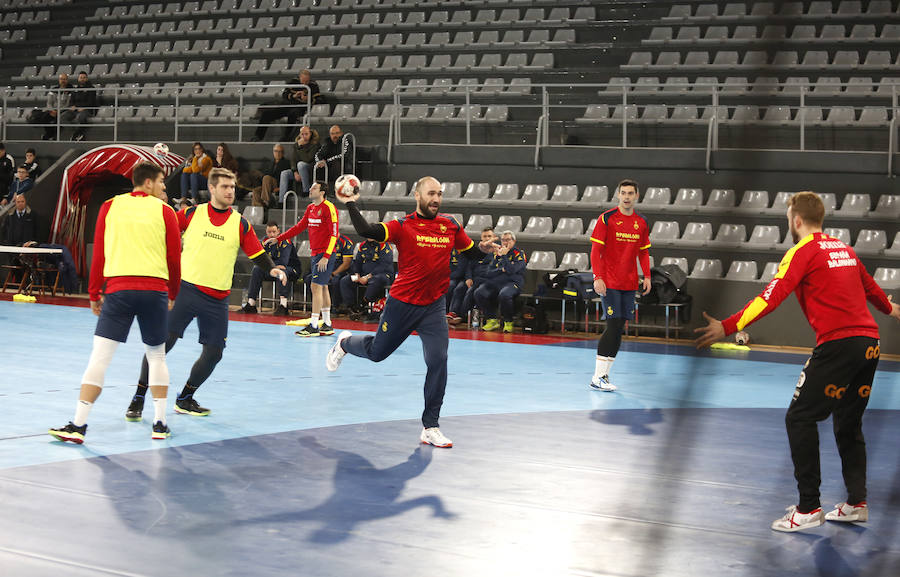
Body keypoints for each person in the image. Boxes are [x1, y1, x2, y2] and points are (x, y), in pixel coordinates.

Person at [695, 191, 900, 533]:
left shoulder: (800, 253)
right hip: (870, 343)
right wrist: (890, 309)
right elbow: (871, 288)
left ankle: (808, 508)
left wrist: (728, 327)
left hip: (839, 344)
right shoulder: (844, 249)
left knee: (800, 418)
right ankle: (856, 504)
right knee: (848, 423)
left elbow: (770, 297)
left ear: (795, 220)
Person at [326, 176, 495, 448]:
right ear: (417, 195)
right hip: (401, 304)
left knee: (438, 360)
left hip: (433, 306)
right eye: (431, 194)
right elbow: (368, 231)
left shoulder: (450, 225)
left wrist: (484, 251)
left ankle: (431, 426)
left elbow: (471, 252)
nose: (436, 199)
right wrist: (350, 205)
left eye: (439, 194)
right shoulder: (403, 225)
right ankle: (345, 343)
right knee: (377, 353)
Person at [123, 168, 285, 422]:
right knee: (161, 345)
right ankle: (138, 397)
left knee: (214, 353)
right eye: (225, 187)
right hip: (186, 291)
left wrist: (273, 268)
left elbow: (256, 253)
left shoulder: (239, 223)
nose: (230, 191)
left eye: (232, 187)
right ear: (212, 189)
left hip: (218, 298)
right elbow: (162, 228)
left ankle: (186, 397)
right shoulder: (191, 213)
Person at [48, 163, 182, 443]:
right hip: (154, 290)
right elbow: (173, 258)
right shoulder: (166, 212)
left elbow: (100, 253)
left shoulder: (110, 207)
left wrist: (95, 292)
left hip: (119, 290)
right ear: (147, 183)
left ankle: (79, 425)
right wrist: (172, 292)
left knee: (99, 357)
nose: (163, 189)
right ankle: (160, 423)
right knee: (157, 356)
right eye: (161, 183)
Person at [588, 179, 652, 392]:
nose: (626, 196)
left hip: (630, 283)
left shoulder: (641, 222)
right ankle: (597, 376)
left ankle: (604, 376)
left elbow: (643, 252)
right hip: (609, 282)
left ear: (636, 196)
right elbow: (595, 251)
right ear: (618, 195)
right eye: (623, 193)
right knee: (613, 325)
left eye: (630, 193)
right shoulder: (606, 218)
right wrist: (598, 277)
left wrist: (648, 276)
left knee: (620, 328)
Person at [267, 180, 338, 336]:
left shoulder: (329, 208)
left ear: (322, 192)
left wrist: (326, 256)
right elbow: (298, 227)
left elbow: (334, 234)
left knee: (316, 286)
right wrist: (279, 238)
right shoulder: (310, 208)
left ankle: (313, 325)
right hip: (315, 253)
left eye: (314, 188)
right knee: (323, 286)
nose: (310, 189)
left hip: (325, 254)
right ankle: (327, 324)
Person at [239, 221, 301, 316]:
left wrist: (269, 266)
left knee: (282, 271)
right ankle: (251, 303)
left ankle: (283, 306)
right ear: (266, 232)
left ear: (278, 231)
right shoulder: (265, 241)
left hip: (291, 269)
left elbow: (283, 264)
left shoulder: (285, 241)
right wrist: (268, 267)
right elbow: (261, 260)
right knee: (257, 269)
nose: (271, 234)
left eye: (274, 232)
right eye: (269, 232)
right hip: (273, 270)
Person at [474, 230, 527, 333]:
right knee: (479, 292)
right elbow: (489, 272)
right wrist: (501, 270)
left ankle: (508, 321)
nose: (505, 242)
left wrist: (504, 256)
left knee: (504, 295)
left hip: (513, 283)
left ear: (514, 241)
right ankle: (492, 320)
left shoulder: (519, 254)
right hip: (496, 283)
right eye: (503, 240)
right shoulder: (496, 254)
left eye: (508, 240)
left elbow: (512, 270)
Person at [251, 69, 320, 142]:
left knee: (293, 114)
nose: (305, 83)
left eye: (307, 81)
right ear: (299, 78)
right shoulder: (293, 82)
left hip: (300, 107)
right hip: (287, 105)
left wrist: (307, 99)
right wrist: (293, 96)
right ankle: (258, 136)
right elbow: (284, 94)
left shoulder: (313, 85)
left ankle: (286, 138)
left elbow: (320, 99)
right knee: (266, 114)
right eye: (303, 81)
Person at [447, 227, 496, 326]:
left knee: (470, 292)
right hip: (474, 279)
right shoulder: (476, 252)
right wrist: (468, 277)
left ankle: (461, 315)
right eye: (485, 236)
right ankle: (453, 313)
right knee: (459, 288)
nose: (487, 238)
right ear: (481, 238)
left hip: (486, 281)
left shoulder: (497, 252)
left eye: (489, 236)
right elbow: (469, 266)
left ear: (494, 237)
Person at [339, 239, 394, 316]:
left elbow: (384, 265)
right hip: (363, 275)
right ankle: (352, 307)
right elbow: (357, 262)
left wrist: (368, 276)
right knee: (345, 280)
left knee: (375, 280)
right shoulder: (362, 246)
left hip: (382, 275)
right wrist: (357, 274)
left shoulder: (384, 246)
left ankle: (363, 304)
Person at [28, 73, 70, 141]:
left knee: (57, 119)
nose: (63, 81)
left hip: (63, 110)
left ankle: (48, 135)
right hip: (52, 111)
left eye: (64, 79)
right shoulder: (54, 90)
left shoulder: (70, 90)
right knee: (46, 117)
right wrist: (52, 110)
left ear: (67, 80)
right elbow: (49, 103)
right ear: (59, 80)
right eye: (61, 79)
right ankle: (50, 134)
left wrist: (58, 110)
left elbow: (68, 104)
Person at [282, 125, 319, 200]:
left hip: (311, 169)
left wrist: (300, 147)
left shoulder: (315, 145)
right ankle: (281, 201)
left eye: (306, 134)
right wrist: (295, 172)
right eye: (302, 134)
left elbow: (307, 159)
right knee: (284, 173)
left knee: (301, 164)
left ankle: (306, 190)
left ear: (310, 134)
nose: (304, 136)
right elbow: (293, 159)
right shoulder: (297, 145)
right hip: (299, 170)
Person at [251, 144, 291, 208]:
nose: (277, 154)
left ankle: (266, 201)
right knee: (256, 190)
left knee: (267, 178)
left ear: (283, 153)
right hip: (267, 186)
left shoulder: (286, 163)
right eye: (276, 151)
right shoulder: (270, 163)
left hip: (278, 185)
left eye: (279, 152)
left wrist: (280, 188)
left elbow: (288, 179)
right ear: (273, 152)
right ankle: (259, 208)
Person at [62, 71, 97, 142]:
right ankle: (77, 133)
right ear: (78, 79)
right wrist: (72, 106)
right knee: (62, 117)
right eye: (81, 78)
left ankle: (76, 134)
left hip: (87, 110)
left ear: (87, 79)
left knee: (80, 118)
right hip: (75, 110)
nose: (82, 79)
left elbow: (91, 102)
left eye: (84, 78)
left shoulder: (91, 89)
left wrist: (84, 107)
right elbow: (71, 101)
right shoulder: (75, 89)